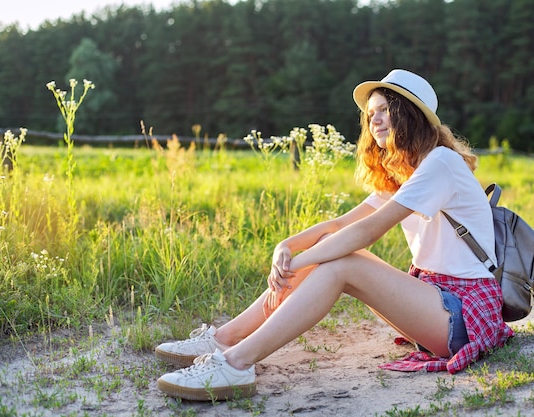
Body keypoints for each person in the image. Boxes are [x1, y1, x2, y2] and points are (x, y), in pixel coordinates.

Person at [155, 69, 514, 401]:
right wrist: (286, 247)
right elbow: (338, 226)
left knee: (342, 264)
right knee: (333, 253)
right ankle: (223, 340)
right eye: (370, 113)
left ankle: (235, 363)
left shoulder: (441, 163)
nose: (373, 119)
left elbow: (368, 231)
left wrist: (298, 263)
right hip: (436, 302)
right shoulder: (408, 171)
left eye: (384, 110)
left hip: (465, 312)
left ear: (410, 115)